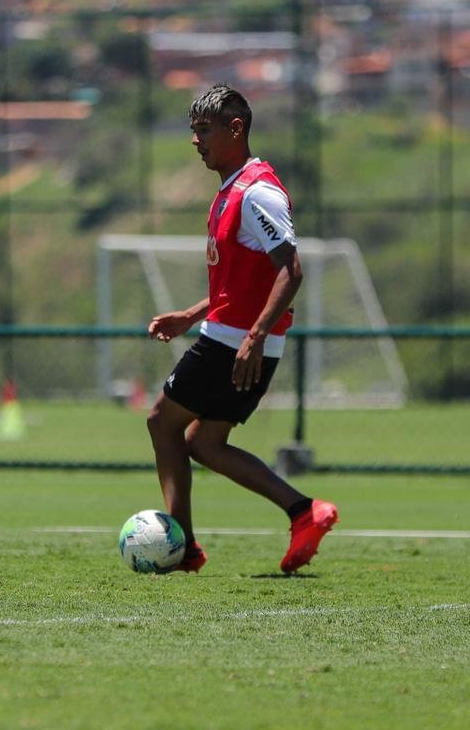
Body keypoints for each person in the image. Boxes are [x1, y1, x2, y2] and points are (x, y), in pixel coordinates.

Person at [146, 84, 338, 574]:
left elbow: (290, 269)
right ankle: (304, 511)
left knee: (161, 422)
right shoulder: (232, 189)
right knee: (203, 443)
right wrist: (192, 315)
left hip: (233, 345)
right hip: (237, 340)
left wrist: (253, 336)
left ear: (236, 129)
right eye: (193, 131)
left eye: (204, 130)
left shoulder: (257, 193)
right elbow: (244, 281)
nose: (196, 140)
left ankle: (182, 546)